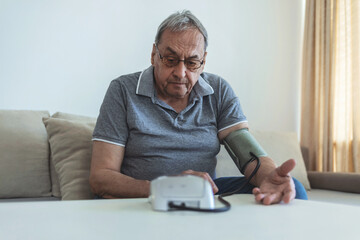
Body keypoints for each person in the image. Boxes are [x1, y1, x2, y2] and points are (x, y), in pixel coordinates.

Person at [89, 10, 308, 205]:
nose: (181, 72)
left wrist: (268, 175)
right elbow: (101, 177)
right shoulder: (122, 90)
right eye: (170, 59)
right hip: (146, 193)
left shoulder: (218, 89)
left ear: (203, 62)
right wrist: (170, 188)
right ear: (154, 55)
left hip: (204, 192)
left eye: (192, 63)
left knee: (292, 188)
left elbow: (247, 153)